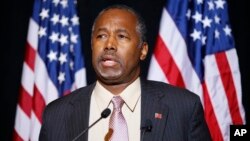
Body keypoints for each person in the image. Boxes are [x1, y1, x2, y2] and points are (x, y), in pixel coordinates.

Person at [39, 4, 212, 141]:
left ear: (143, 50)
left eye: (121, 36)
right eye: (101, 36)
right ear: (92, 46)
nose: (109, 45)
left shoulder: (184, 108)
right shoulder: (56, 115)